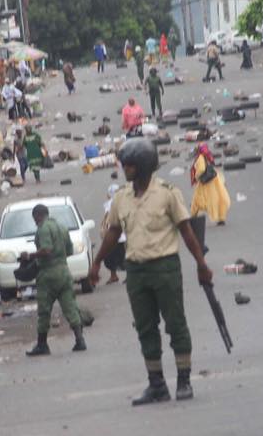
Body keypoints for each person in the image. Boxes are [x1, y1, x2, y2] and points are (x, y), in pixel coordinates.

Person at [89, 138, 213, 405]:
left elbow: (187, 231)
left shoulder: (167, 193)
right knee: (145, 327)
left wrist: (201, 264)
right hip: (136, 271)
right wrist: (97, 262)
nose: (125, 169)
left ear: (144, 166)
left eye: (130, 165)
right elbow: (113, 232)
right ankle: (156, 384)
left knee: (175, 324)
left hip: (165, 266)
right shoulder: (121, 197)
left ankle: (184, 380)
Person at [23, 204, 87, 356]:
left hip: (48, 274)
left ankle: (42, 345)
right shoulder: (62, 227)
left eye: (35, 219)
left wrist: (30, 256)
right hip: (64, 272)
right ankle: (80, 340)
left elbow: (46, 249)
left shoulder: (43, 228)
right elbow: (70, 250)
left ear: (38, 216)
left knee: (44, 310)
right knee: (70, 306)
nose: (35, 222)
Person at [189, 143, 230, 226]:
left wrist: (196, 177)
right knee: (218, 198)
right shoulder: (208, 156)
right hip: (214, 180)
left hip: (205, 181)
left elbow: (201, 169)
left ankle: (193, 216)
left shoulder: (200, 157)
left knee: (197, 199)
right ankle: (221, 218)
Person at [101, 184, 126, 284]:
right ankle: (114, 275)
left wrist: (103, 226)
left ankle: (113, 275)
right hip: (124, 235)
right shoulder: (124, 201)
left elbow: (107, 217)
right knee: (123, 256)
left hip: (115, 235)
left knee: (110, 256)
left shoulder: (111, 203)